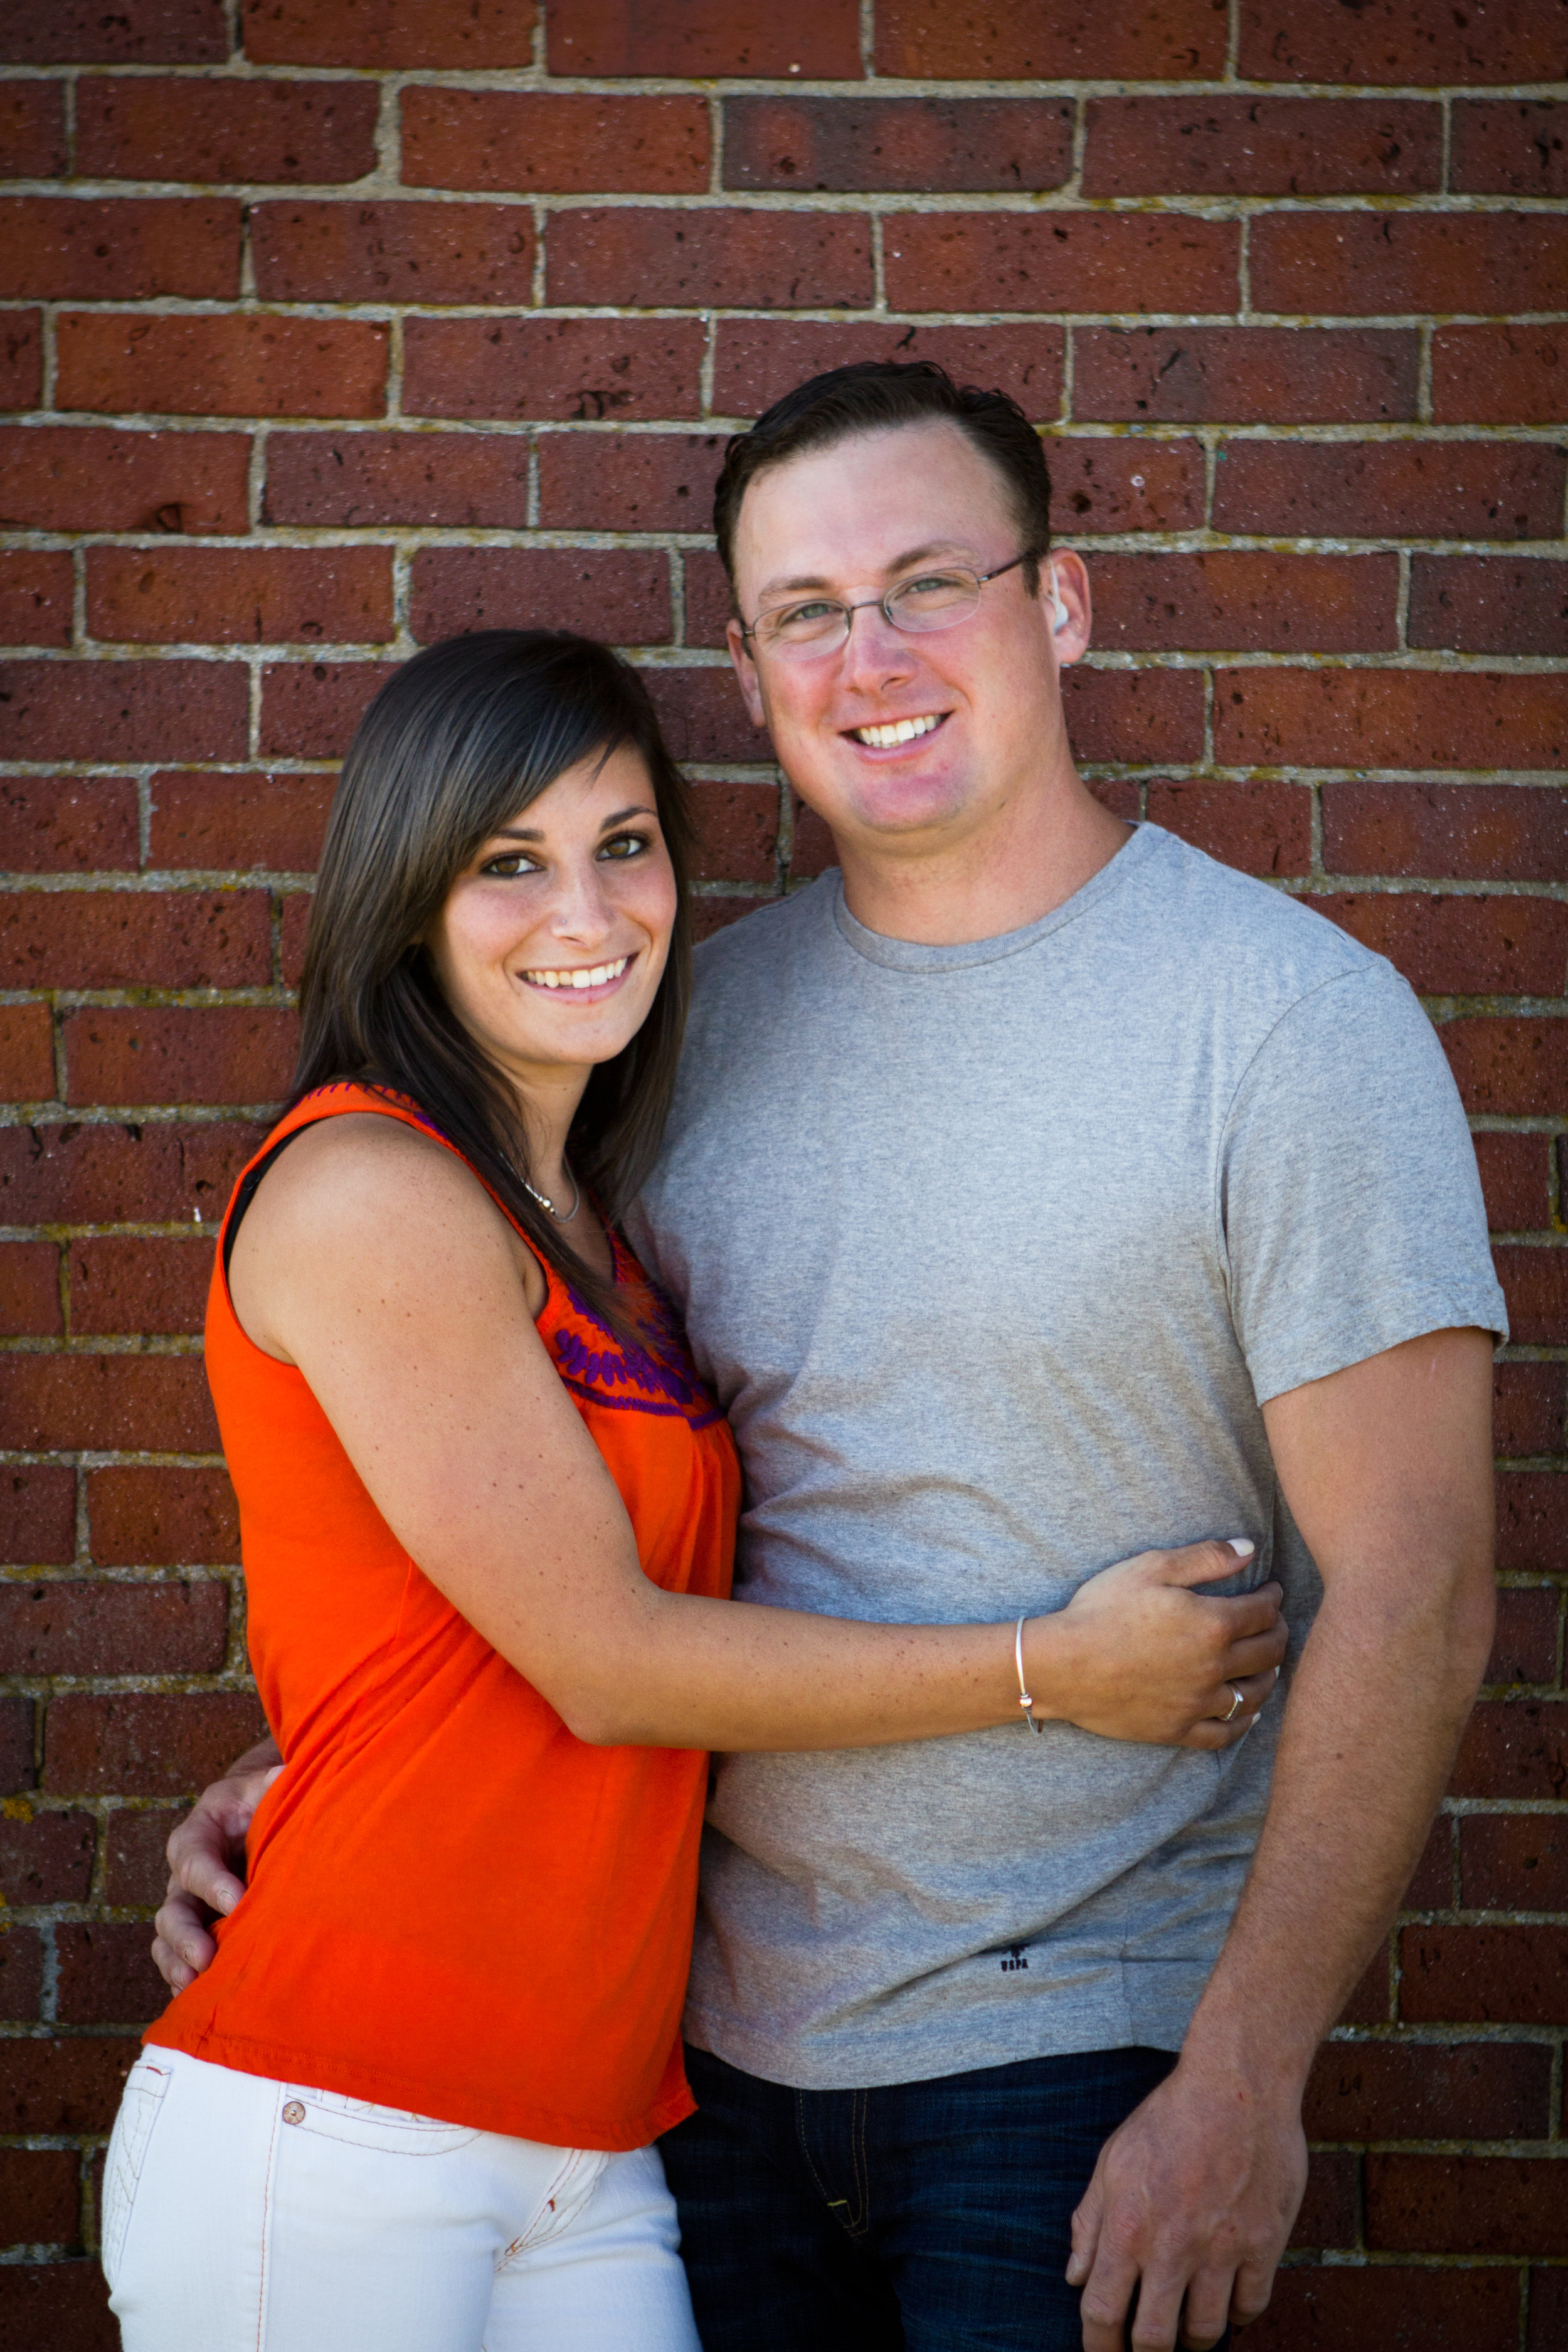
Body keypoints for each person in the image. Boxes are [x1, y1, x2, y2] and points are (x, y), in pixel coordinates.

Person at [120, 625, 1288, 2352]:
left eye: (622, 846)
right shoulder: (369, 1186)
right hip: (338, 2118)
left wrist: (300, 1753)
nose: (587, 917)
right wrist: (1054, 1667)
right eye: (507, 865)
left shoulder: (590, 1221)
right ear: (407, 896)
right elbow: (602, 1656)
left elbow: (447, 1630)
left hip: (592, 2145)